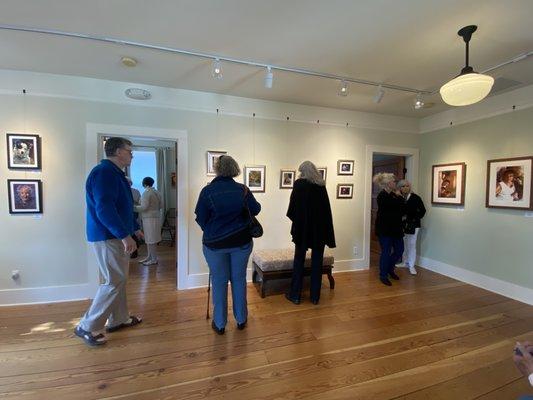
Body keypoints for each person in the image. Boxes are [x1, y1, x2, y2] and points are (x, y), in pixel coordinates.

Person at [75, 137, 143, 347]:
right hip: (108, 236)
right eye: (129, 151)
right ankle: (87, 325)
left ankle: (119, 318)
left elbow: (123, 205)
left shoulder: (115, 174)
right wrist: (124, 235)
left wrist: (134, 229)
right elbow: (104, 209)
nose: (132, 154)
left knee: (119, 279)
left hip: (115, 234)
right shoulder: (104, 173)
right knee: (114, 281)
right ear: (118, 152)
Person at [195, 155, 261, 335]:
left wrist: (213, 230)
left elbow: (200, 218)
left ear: (217, 169)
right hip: (241, 242)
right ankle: (241, 319)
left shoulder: (207, 191)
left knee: (219, 281)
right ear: (234, 169)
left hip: (215, 244)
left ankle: (220, 323)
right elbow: (256, 209)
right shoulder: (243, 190)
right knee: (239, 280)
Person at [286, 161, 335, 305]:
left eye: (301, 172)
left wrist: (298, 220)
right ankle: (315, 297)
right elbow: (326, 210)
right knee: (317, 262)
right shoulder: (321, 186)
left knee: (299, 260)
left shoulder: (299, 184)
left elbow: (292, 209)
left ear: (303, 172)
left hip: (302, 229)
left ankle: (295, 295)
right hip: (319, 230)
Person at [373, 172, 405, 286]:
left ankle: (390, 269)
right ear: (387, 183)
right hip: (385, 229)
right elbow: (394, 207)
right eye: (393, 181)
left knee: (399, 250)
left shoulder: (394, 195)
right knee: (386, 252)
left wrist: (399, 197)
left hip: (396, 228)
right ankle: (383, 275)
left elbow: (403, 208)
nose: (395, 183)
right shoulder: (382, 196)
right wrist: (399, 197)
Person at [396, 179, 426, 275]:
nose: (405, 188)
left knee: (412, 244)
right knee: (404, 243)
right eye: (403, 186)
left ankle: (411, 265)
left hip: (414, 225)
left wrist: (413, 218)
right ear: (399, 188)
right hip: (402, 225)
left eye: (407, 186)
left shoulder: (416, 198)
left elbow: (423, 211)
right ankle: (405, 262)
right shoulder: (398, 198)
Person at [135, 177, 162, 266]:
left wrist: (132, 208)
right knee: (150, 238)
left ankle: (154, 259)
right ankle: (149, 256)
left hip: (149, 218)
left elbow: (143, 207)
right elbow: (161, 205)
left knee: (151, 239)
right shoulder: (157, 192)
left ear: (144, 183)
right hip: (156, 217)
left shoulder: (147, 193)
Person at [128, 177, 141, 259]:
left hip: (131, 212)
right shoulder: (136, 191)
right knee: (132, 231)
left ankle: (133, 250)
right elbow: (140, 201)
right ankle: (133, 251)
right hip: (134, 211)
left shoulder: (131, 191)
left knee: (131, 232)